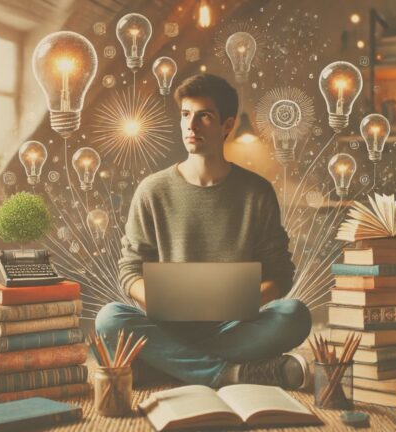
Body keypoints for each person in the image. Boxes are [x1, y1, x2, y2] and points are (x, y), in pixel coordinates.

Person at [95, 74, 312, 389]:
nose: (191, 126)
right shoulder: (151, 190)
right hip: (166, 326)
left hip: (234, 327)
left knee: (295, 314)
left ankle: (165, 367)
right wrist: (159, 299)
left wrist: (245, 298)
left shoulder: (257, 192)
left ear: (227, 125)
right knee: (109, 320)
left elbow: (280, 272)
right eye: (185, 115)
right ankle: (229, 374)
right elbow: (130, 271)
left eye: (204, 116)